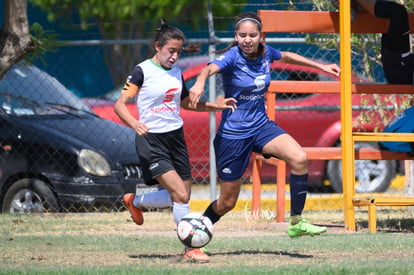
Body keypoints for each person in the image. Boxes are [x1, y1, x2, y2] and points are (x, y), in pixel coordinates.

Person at [189, 12, 341, 243]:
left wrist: (322, 66)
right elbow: (208, 69)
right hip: (233, 135)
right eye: (242, 35)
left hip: (261, 126)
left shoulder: (266, 53)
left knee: (299, 158)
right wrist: (199, 84)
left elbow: (287, 56)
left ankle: (297, 222)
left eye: (252, 35)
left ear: (261, 36)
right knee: (227, 203)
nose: (247, 40)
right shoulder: (232, 56)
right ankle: (198, 228)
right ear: (236, 36)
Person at [114, 19, 236, 263]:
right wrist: (135, 124)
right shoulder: (142, 71)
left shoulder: (178, 73)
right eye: (171, 51)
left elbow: (185, 103)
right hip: (151, 139)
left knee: (182, 196)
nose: (174, 56)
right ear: (157, 46)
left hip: (176, 138)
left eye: (178, 52)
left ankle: (135, 200)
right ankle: (190, 248)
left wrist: (215, 105)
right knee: (179, 194)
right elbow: (119, 105)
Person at [334, 0, 414, 84]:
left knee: (398, 12)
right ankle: (358, 6)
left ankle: (356, 3)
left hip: (402, 70)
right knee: (397, 13)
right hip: (403, 63)